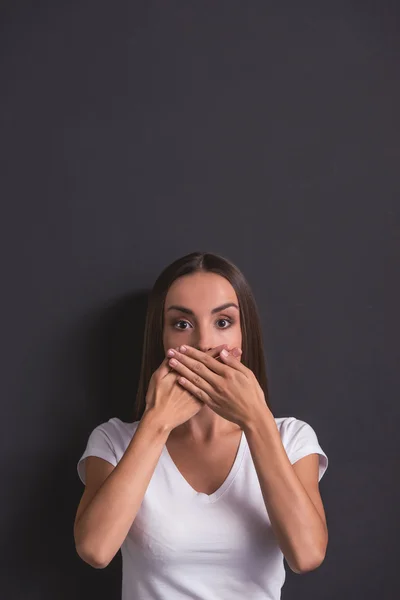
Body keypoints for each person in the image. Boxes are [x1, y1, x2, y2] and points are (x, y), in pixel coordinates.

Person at [74, 251, 329, 599]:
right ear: (161, 339)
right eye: (182, 324)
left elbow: (307, 555)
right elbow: (95, 550)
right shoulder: (114, 440)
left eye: (223, 322)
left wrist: (255, 420)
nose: (204, 343)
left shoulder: (291, 438)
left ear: (244, 335)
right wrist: (156, 423)